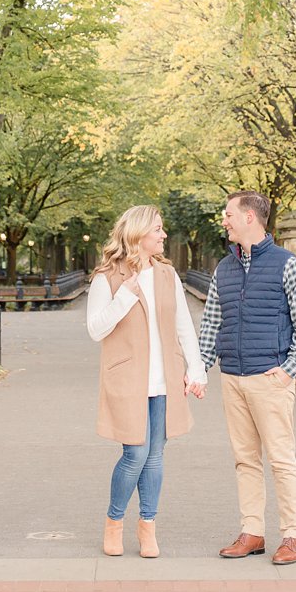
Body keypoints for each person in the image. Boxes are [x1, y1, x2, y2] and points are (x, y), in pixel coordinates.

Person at [197, 190, 296, 565]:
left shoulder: (288, 265)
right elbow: (212, 324)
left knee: (281, 459)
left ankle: (293, 535)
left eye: (229, 213)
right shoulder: (224, 268)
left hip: (270, 377)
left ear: (250, 217)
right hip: (233, 376)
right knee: (245, 460)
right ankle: (252, 532)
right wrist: (199, 370)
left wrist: (288, 370)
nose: (224, 219)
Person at [86, 205, 206, 559]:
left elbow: (183, 324)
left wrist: (195, 369)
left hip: (164, 379)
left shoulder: (168, 274)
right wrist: (125, 294)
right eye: (158, 229)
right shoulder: (107, 277)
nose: (163, 235)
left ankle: (148, 527)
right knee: (135, 453)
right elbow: (96, 329)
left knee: (155, 457)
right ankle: (114, 522)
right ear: (139, 233)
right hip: (127, 380)